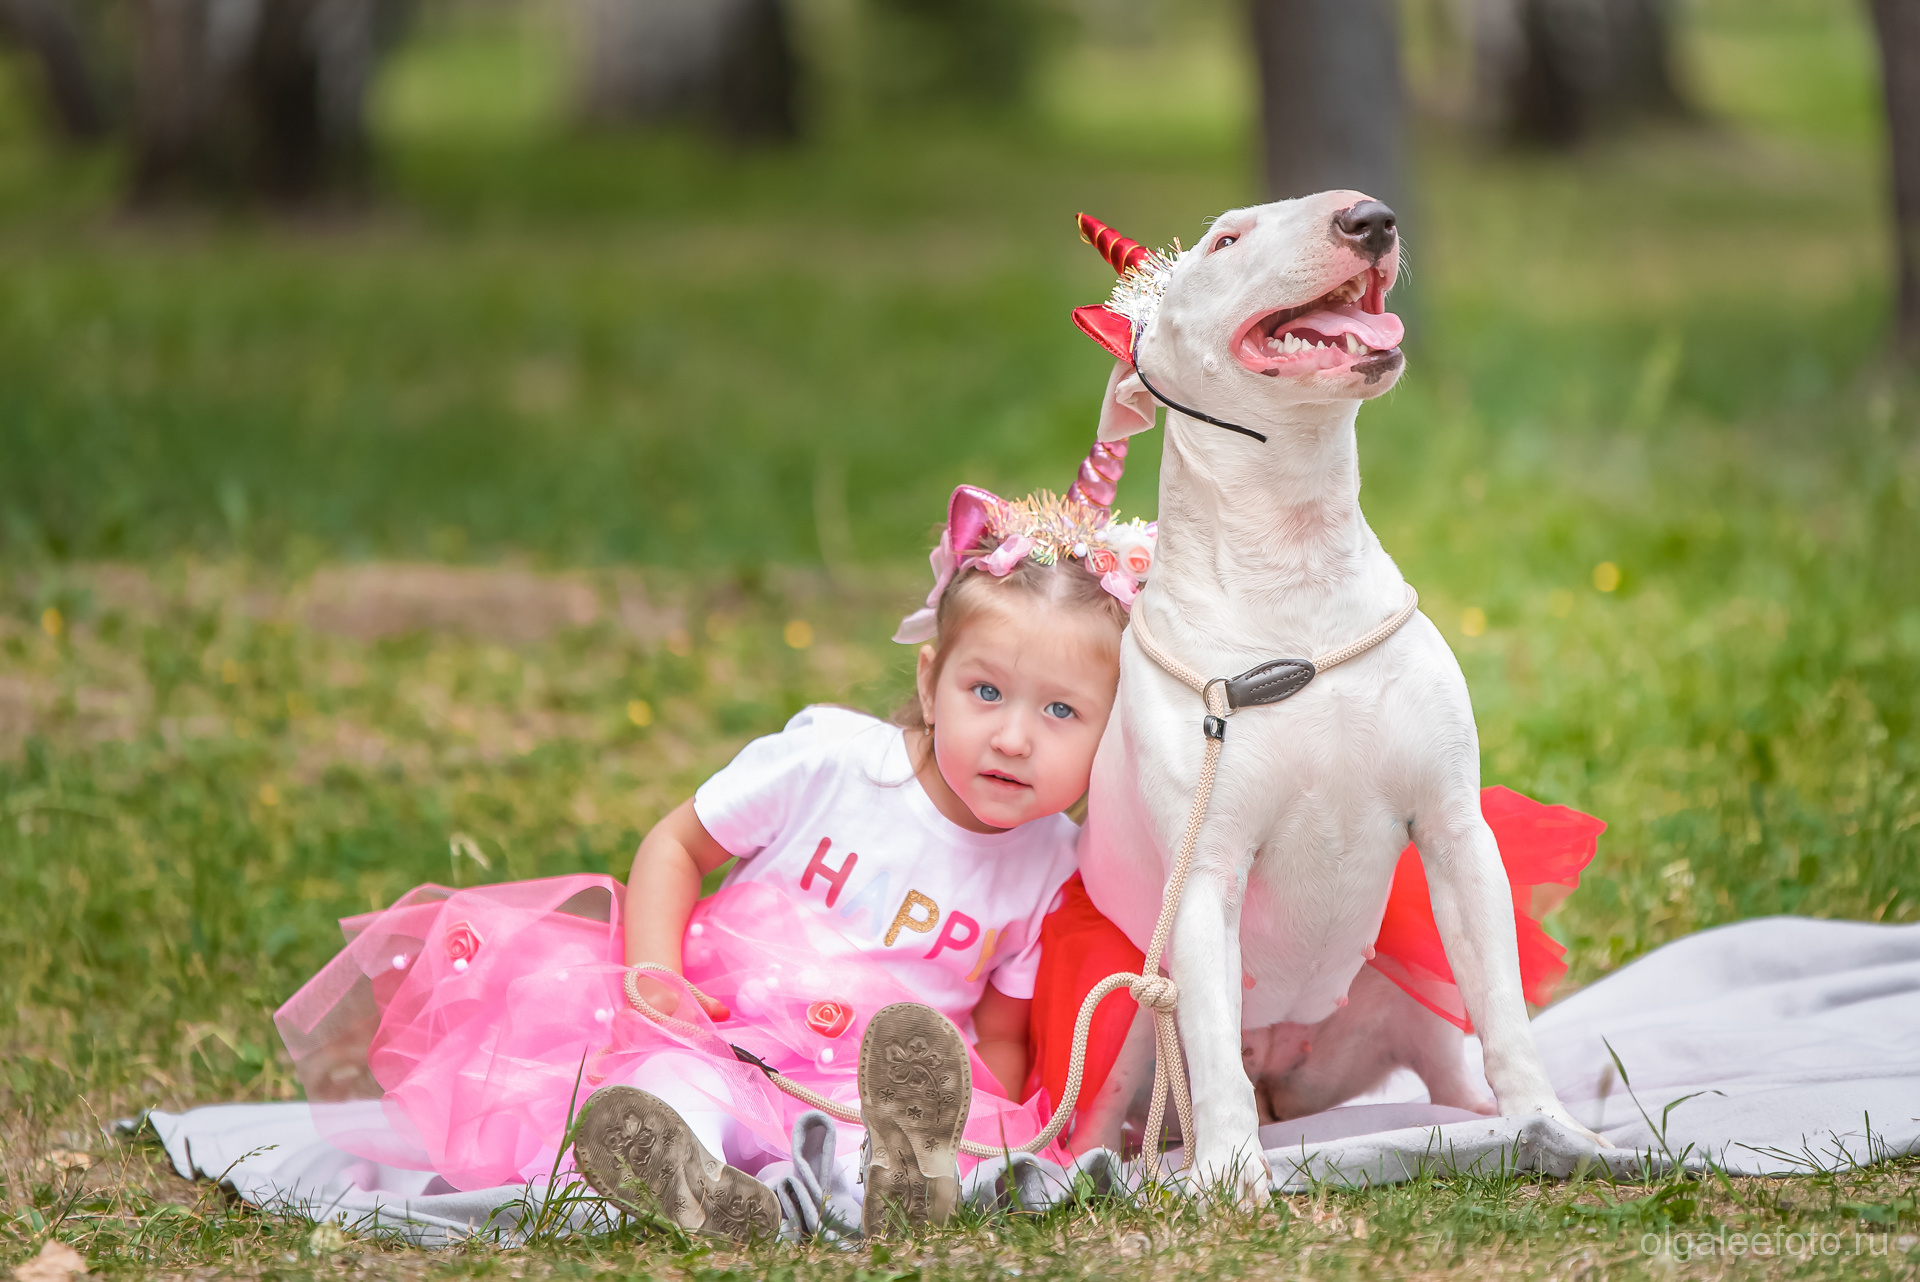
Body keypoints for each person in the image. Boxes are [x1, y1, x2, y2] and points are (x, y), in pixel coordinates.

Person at [272, 460, 1156, 1242]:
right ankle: (684, 1173)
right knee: (676, 1085)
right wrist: (654, 979)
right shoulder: (832, 763)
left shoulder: (1053, 863)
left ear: (1112, 733)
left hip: (869, 1086)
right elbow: (676, 844)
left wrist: (974, 1123)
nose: (1012, 739)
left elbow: (999, 1035)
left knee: (874, 1143)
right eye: (987, 691)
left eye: (1060, 713)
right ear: (931, 682)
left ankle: (884, 1187)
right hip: (728, 1031)